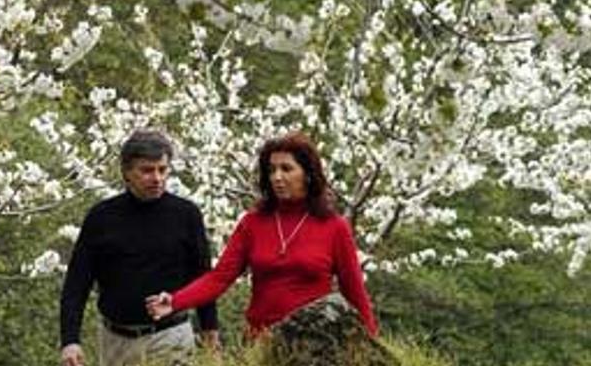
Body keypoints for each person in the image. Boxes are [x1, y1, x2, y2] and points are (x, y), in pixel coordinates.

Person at [146, 131, 378, 339]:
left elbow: (355, 292)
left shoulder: (334, 227)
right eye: (271, 169)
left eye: (286, 169)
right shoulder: (252, 223)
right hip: (260, 343)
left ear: (307, 174)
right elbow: (219, 278)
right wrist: (175, 301)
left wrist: (372, 343)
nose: (277, 176)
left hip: (313, 345)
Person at [60, 130, 219, 366]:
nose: (157, 178)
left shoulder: (186, 215)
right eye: (147, 170)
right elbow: (77, 282)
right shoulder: (102, 217)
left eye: (162, 169)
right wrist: (70, 341)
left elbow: (204, 278)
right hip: (115, 340)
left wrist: (210, 334)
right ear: (127, 172)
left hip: (170, 334)